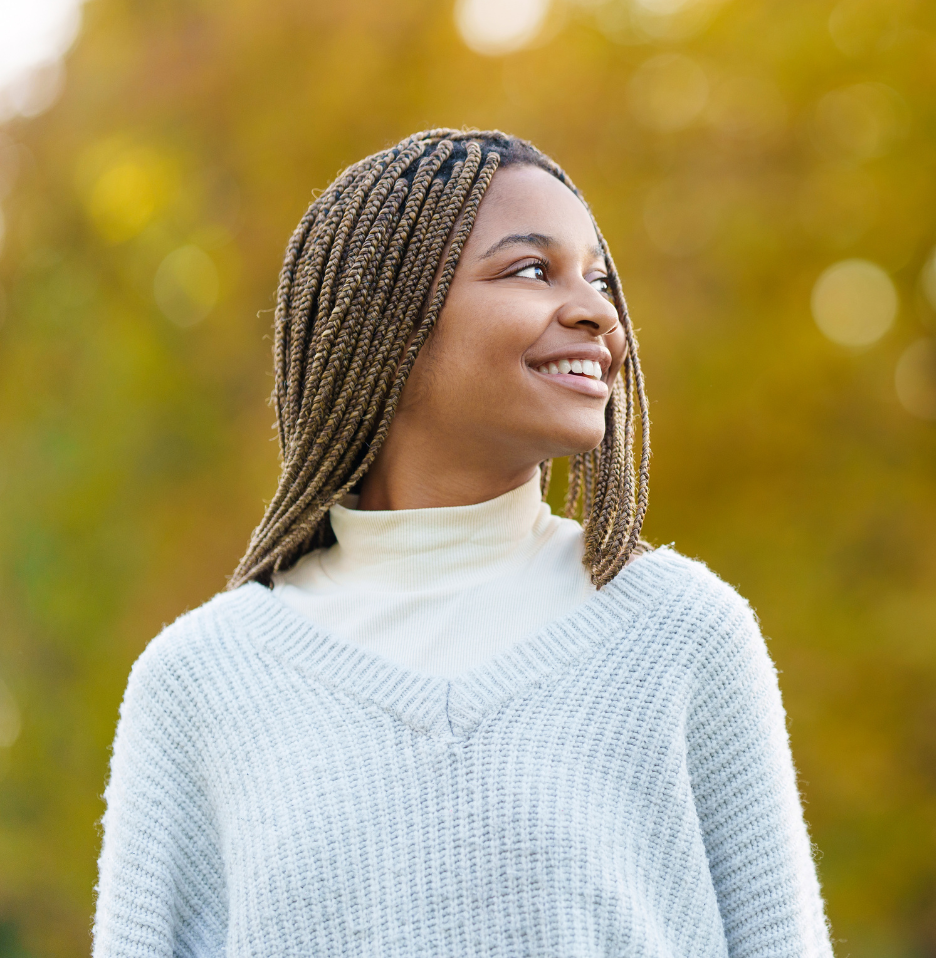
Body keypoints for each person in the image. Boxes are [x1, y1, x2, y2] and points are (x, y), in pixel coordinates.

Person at [93, 130, 834, 957]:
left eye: (598, 278)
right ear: (387, 320)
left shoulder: (684, 635)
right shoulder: (202, 683)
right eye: (529, 270)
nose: (598, 312)